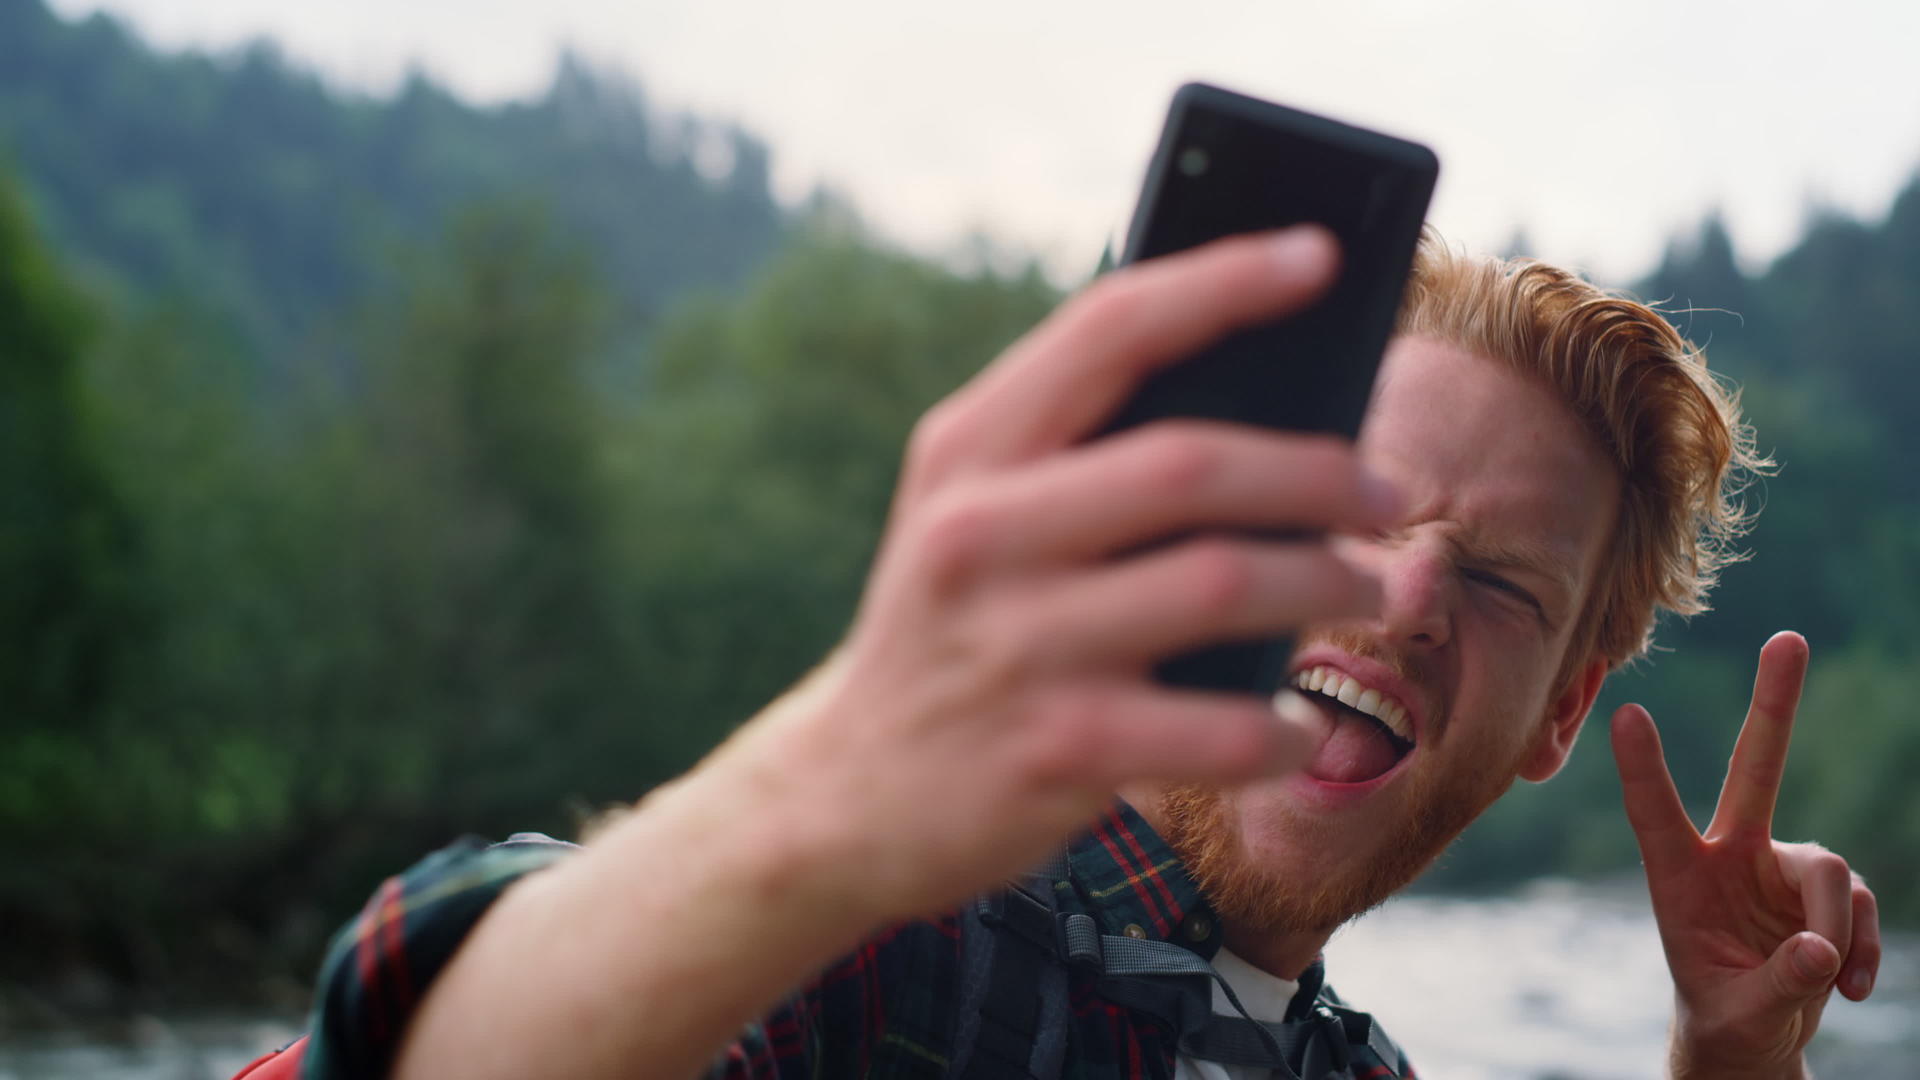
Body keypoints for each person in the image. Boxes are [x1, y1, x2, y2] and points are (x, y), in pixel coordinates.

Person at [249, 227, 1881, 1080]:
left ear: (1559, 717)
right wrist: (824, 793)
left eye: (1504, 586)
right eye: (1357, 510)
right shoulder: (862, 939)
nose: (1406, 599)